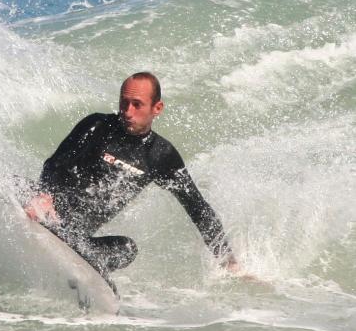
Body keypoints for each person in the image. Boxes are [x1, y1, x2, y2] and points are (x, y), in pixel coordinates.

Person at [24, 72, 240, 282]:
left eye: (137, 104)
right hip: (45, 214)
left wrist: (229, 262)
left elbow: (198, 209)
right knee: (18, 185)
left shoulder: (161, 156)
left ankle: (85, 276)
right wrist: (44, 193)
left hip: (76, 240)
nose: (127, 111)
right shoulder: (97, 126)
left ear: (157, 108)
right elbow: (55, 163)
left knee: (127, 249)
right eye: (124, 102)